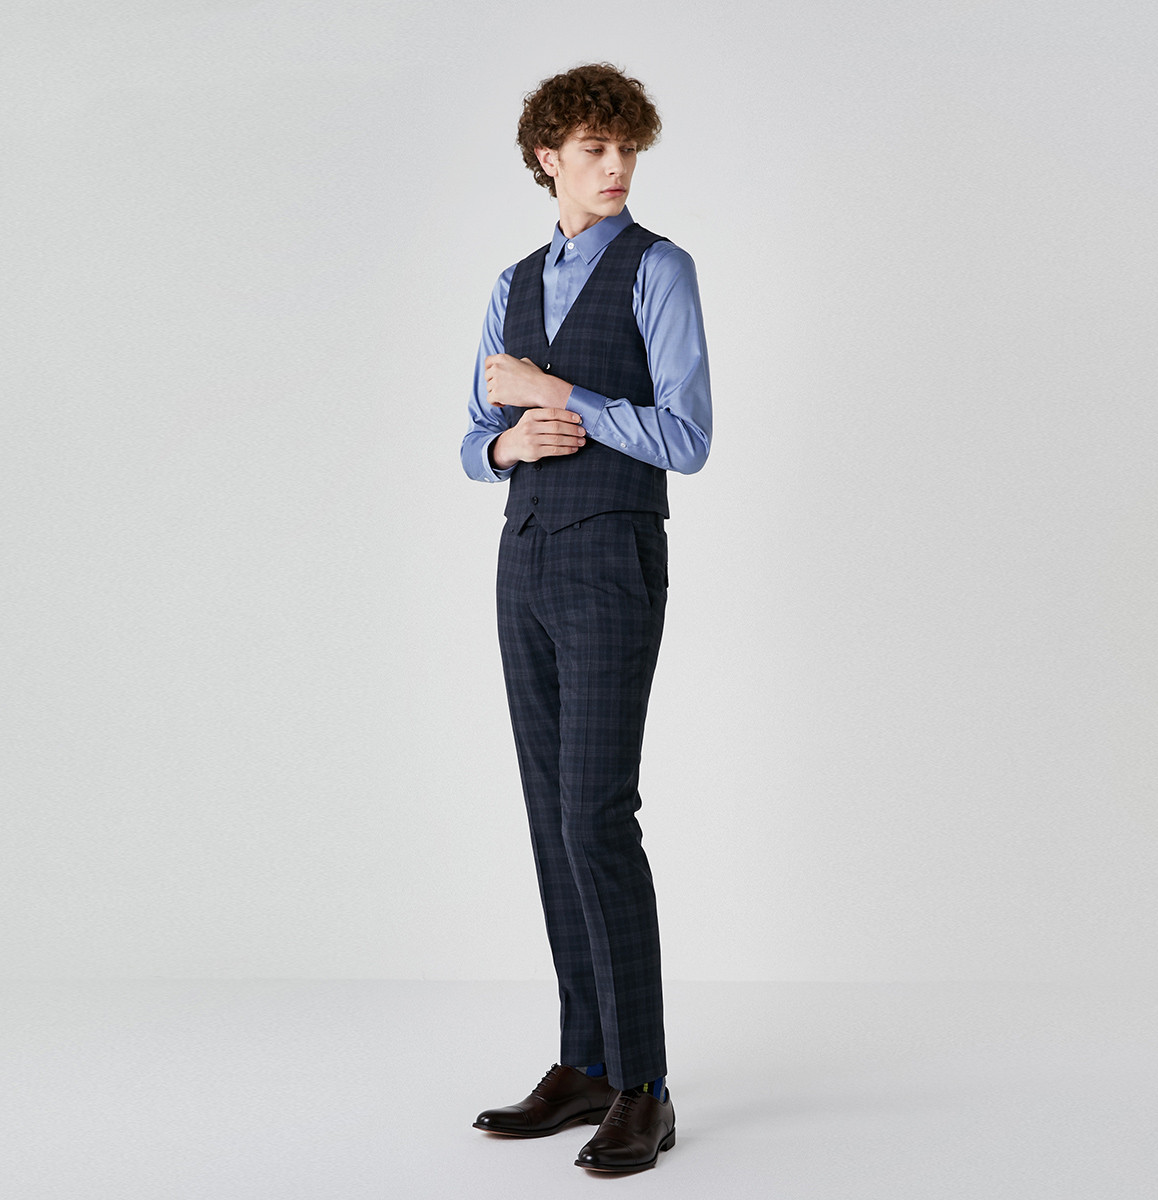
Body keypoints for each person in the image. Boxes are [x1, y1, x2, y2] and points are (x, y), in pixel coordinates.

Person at [460, 62, 712, 1175]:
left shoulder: (660, 268)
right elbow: (473, 435)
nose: (616, 168)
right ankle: (588, 1061)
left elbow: (688, 437)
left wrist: (563, 398)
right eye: (595, 150)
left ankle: (644, 1087)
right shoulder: (512, 284)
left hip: (612, 555)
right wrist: (507, 442)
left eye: (627, 150)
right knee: (549, 817)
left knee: (598, 817)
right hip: (523, 557)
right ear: (547, 158)